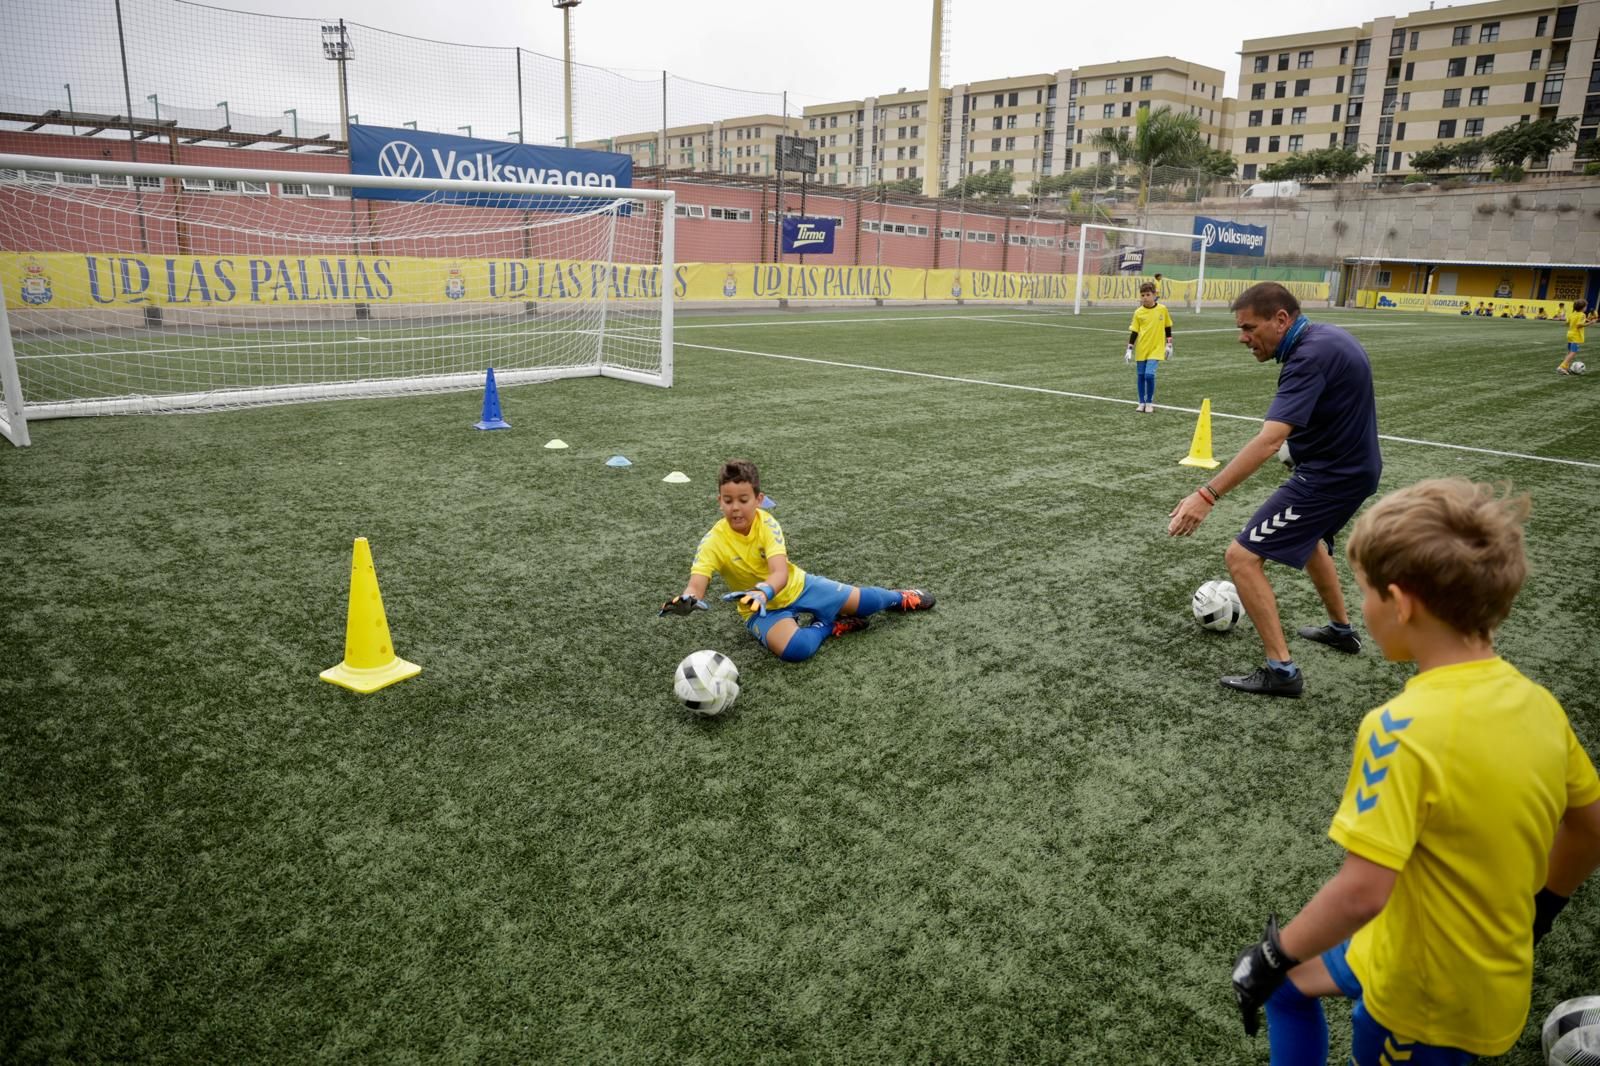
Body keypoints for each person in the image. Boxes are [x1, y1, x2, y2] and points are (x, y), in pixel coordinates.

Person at [1229, 477, 1600, 1064]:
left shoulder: (1398, 727)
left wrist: (1271, 953)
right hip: (1426, 946)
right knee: (1288, 992)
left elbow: (1361, 894)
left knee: (1278, 972)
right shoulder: (1542, 708)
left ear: (1400, 603)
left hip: (1429, 997)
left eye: (1365, 592)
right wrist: (1541, 911)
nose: (1364, 606)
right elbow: (1590, 827)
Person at [1167, 282, 1381, 697]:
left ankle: (1281, 672)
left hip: (1329, 478)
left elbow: (1268, 440)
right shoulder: (1327, 338)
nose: (1243, 338)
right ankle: (1341, 630)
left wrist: (1206, 495)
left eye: (1250, 327)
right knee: (1312, 539)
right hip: (1353, 470)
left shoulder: (1307, 358)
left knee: (1242, 557)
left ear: (1281, 319)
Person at [659, 459, 935, 661]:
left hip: (798, 586)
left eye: (743, 499)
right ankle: (829, 624)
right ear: (719, 501)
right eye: (728, 500)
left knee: (866, 603)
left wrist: (763, 590)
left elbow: (779, 573)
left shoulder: (768, 525)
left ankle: (901, 597)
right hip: (759, 610)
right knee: (796, 651)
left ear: (758, 499)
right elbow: (697, 583)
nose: (735, 507)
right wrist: (689, 600)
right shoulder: (713, 541)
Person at [1125, 281, 1174, 414]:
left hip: (1156, 348)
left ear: (1154, 295)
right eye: (1142, 295)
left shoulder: (1162, 309)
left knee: (1149, 375)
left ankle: (1150, 402)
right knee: (1141, 376)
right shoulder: (1138, 313)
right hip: (1142, 348)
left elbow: (1167, 326)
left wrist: (1169, 344)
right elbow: (1134, 331)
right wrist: (1129, 349)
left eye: (1147, 294)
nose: (1145, 297)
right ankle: (1141, 403)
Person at [1558, 298, 1588, 375]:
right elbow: (1579, 325)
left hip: (1569, 334)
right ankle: (1562, 366)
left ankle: (1566, 367)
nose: (1586, 308)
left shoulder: (1572, 314)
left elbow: (1567, 323)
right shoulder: (1582, 315)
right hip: (1576, 336)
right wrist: (1590, 323)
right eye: (1585, 306)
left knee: (1569, 352)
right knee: (1573, 352)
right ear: (1583, 307)